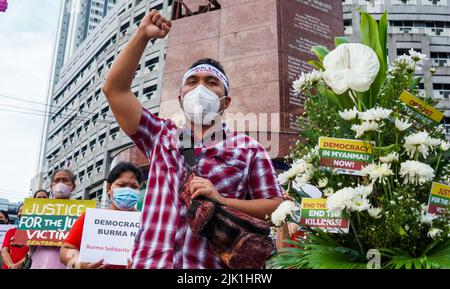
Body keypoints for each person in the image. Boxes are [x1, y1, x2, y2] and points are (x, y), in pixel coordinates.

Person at [103, 9, 284, 269]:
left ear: (226, 101)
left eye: (211, 83)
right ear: (180, 99)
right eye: (192, 82)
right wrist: (142, 35)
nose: (200, 89)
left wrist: (221, 200)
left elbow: (276, 208)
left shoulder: (249, 150)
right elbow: (115, 89)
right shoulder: (160, 136)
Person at [59, 162, 142, 269]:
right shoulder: (91, 218)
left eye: (134, 186)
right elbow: (66, 250)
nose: (128, 190)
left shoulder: (147, 222)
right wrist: (82, 265)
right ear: (108, 188)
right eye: (121, 185)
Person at [29, 169, 76, 269]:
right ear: (51, 186)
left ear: (73, 186)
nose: (60, 183)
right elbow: (30, 242)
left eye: (65, 180)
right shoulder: (37, 210)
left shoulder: (81, 212)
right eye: (57, 180)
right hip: (39, 263)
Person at [1, 204, 29, 269]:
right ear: (17, 214)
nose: (22, 213)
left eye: (26, 211)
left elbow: (32, 254)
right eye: (21, 211)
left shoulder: (37, 233)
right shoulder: (11, 231)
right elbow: (4, 250)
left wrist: (17, 266)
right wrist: (11, 266)